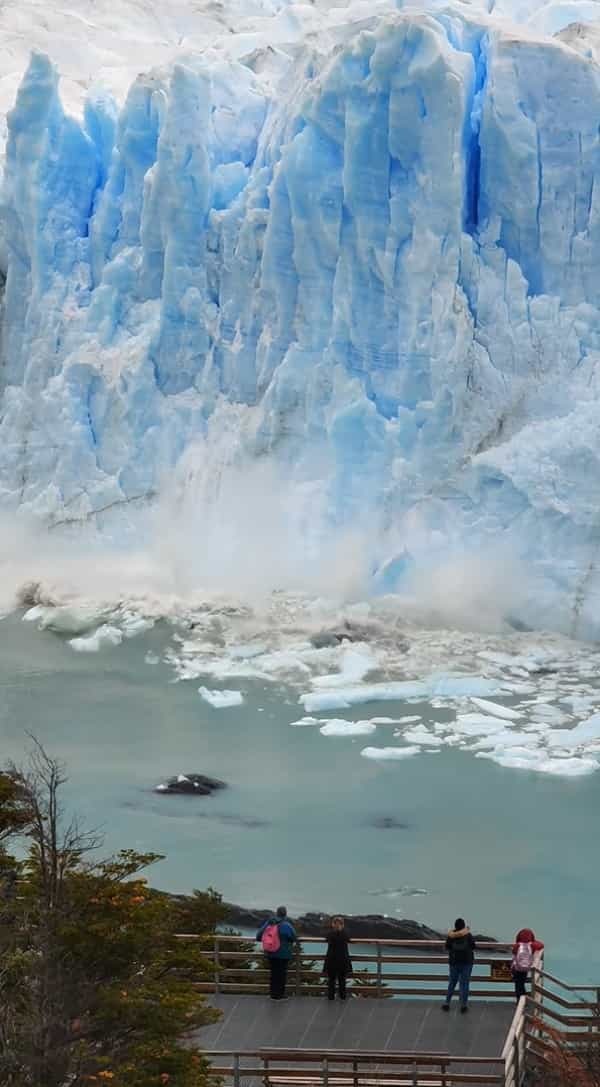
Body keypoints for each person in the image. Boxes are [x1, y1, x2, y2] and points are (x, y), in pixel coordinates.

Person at [256, 905, 297, 1000]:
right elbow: (294, 937)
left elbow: (258, 936)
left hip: (271, 952)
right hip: (283, 954)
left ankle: (273, 994)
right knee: (281, 974)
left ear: (276, 913)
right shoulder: (287, 925)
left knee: (273, 973)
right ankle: (280, 995)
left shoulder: (269, 923)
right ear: (285, 914)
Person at [442, 918, 476, 1013]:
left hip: (454, 962)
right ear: (463, 926)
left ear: (455, 926)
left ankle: (447, 1003)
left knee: (452, 982)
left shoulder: (451, 936)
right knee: (464, 984)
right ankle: (463, 1005)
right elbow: (473, 946)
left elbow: (447, 947)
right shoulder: (468, 935)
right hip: (466, 962)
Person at [323, 916, 353, 1000]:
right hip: (342, 959)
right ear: (342, 925)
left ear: (333, 924)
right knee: (342, 980)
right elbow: (348, 939)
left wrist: (334, 930)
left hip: (331, 959)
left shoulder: (330, 934)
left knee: (331, 980)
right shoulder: (344, 934)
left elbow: (326, 938)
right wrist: (341, 930)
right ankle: (342, 996)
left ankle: (331, 996)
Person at [511, 928, 544, 1003]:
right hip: (526, 968)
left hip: (517, 968)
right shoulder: (532, 945)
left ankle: (520, 1001)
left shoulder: (517, 945)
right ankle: (523, 1000)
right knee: (522, 983)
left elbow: (513, 953)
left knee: (518, 985)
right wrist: (533, 941)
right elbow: (541, 945)